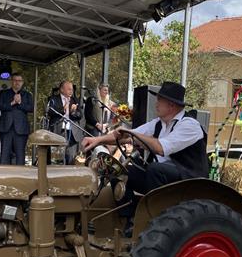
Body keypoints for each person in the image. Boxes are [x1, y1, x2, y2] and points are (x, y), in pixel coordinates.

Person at [82, 81, 207, 235]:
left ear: (171, 105)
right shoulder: (159, 124)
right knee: (119, 170)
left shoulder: (190, 125)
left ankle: (153, 222)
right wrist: (97, 140)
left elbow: (160, 148)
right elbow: (127, 136)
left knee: (155, 169)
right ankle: (129, 220)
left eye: (160, 100)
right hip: (165, 177)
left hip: (189, 180)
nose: (156, 104)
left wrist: (133, 135)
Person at [0, 72, 33, 165]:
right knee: (4, 154)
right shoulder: (4, 93)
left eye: (19, 81)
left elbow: (31, 108)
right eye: (15, 80)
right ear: (11, 81)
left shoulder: (27, 95)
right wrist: (12, 103)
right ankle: (3, 177)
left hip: (21, 129)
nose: (17, 83)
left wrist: (20, 102)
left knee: (20, 155)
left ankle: (20, 177)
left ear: (22, 82)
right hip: (6, 127)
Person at [46, 80, 82, 164]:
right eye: (69, 89)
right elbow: (49, 112)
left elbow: (80, 115)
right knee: (56, 158)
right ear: (62, 90)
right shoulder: (53, 99)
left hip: (72, 132)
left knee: (70, 157)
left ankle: (69, 175)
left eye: (72, 89)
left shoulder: (74, 100)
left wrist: (73, 111)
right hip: (58, 130)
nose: (71, 91)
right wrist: (63, 109)